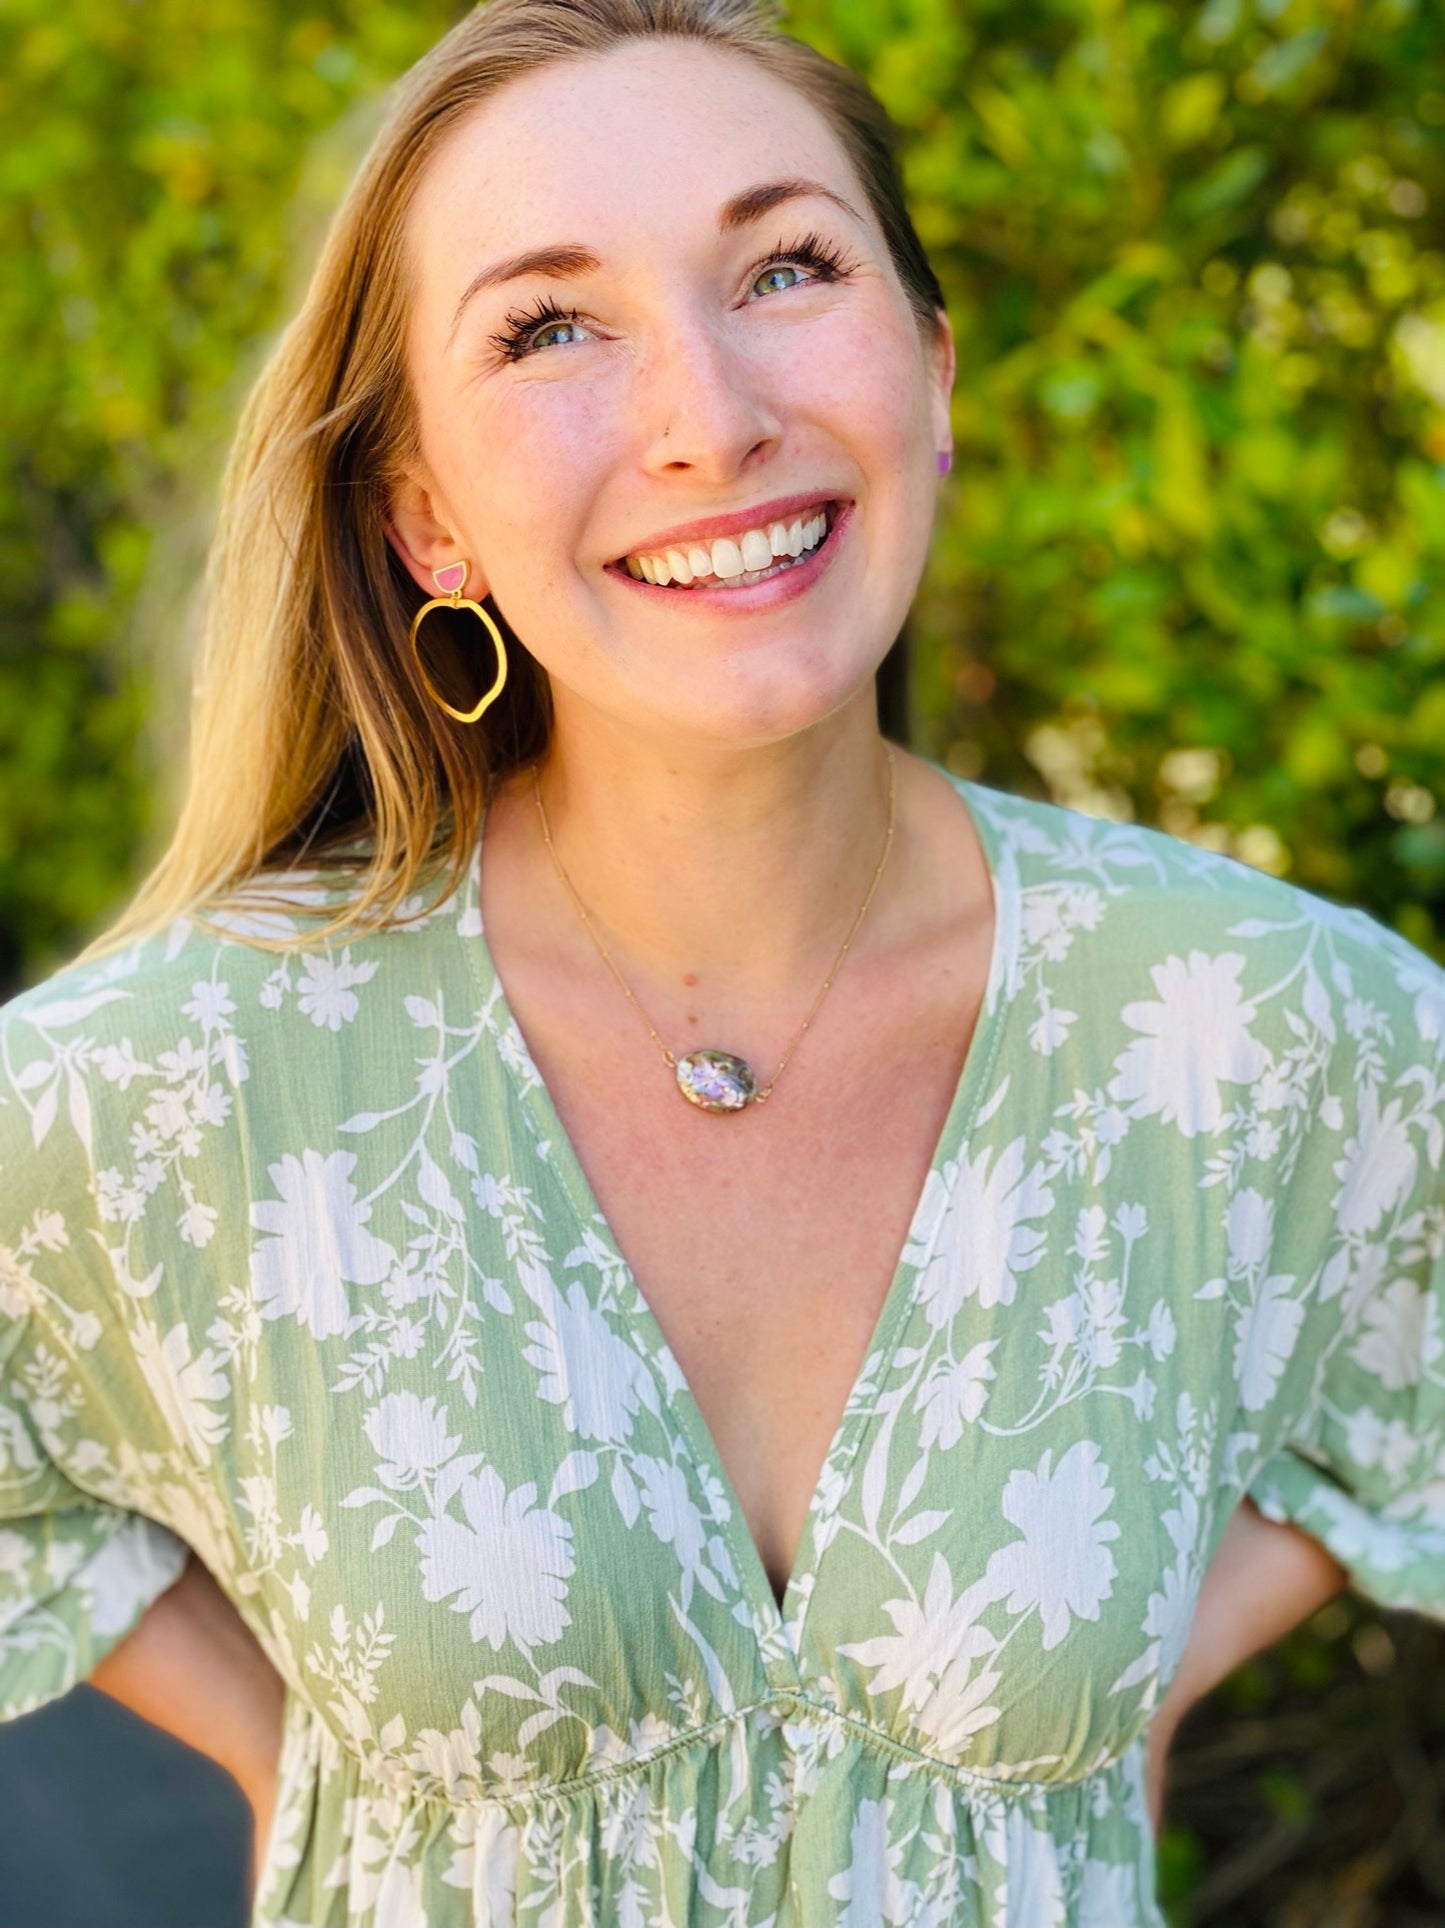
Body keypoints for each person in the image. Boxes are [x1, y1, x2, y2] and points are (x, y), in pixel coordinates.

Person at [1, 0, 1441, 1920]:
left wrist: (1126, 1676)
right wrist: (304, 1750)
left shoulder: (1262, 1030)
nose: (709, 414)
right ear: (426, 513)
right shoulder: (184, 1078)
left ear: (930, 372)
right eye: (550, 325)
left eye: (784, 267)